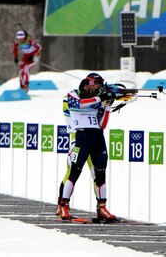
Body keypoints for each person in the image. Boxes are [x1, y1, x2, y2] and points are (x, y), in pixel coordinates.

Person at [60, 73, 120, 222]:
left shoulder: (97, 101)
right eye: (90, 85)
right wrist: (101, 98)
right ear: (84, 86)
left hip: (97, 137)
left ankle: (102, 208)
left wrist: (107, 106)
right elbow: (78, 104)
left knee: (100, 174)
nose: (93, 88)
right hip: (81, 137)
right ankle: (64, 206)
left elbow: (102, 124)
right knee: (74, 172)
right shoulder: (73, 95)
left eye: (96, 86)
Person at [55, 78, 96, 217]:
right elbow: (77, 105)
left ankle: (101, 207)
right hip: (76, 140)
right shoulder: (70, 97)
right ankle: (61, 204)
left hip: (92, 139)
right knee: (70, 172)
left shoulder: (93, 100)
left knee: (96, 173)